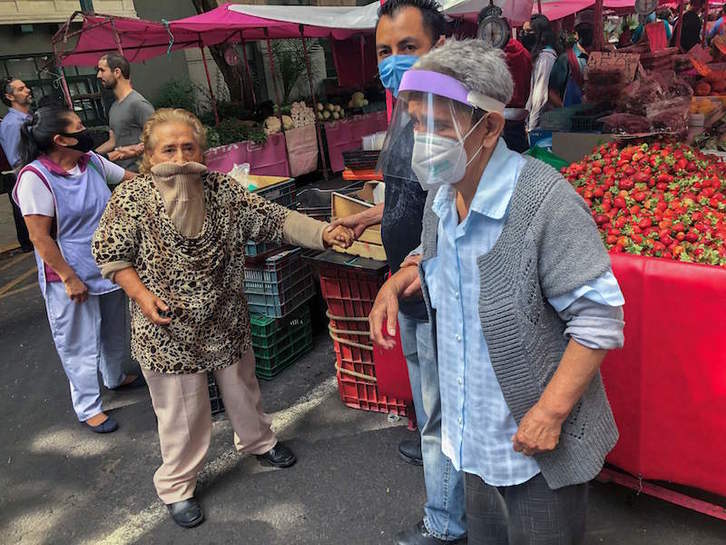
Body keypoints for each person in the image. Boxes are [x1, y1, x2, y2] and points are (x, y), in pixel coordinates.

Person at [370, 40, 625, 545]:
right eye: (417, 124)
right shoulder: (442, 198)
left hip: (533, 447)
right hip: (472, 438)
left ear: (488, 128)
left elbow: (599, 318)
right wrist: (400, 278)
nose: (424, 140)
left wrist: (549, 415)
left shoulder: (544, 204)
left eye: (440, 125)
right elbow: (445, 261)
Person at [91, 108, 354, 529]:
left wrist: (323, 232)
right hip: (167, 328)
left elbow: (272, 219)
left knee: (243, 391)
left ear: (203, 150)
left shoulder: (222, 191)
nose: (179, 157)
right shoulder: (131, 198)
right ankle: (177, 487)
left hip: (224, 316)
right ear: (149, 155)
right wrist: (141, 296)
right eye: (169, 149)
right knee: (182, 414)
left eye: (188, 147)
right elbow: (110, 254)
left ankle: (258, 443)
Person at [334, 1, 467, 544]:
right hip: (405, 284)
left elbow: (459, 212)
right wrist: (372, 215)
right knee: (426, 393)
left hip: (432, 286)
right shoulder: (406, 105)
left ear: (439, 47)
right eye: (385, 51)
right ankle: (437, 452)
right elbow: (411, 193)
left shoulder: (453, 116)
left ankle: (446, 523)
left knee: (441, 413)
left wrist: (419, 265)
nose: (393, 61)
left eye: (407, 48)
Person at [12, 104, 140, 433]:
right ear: (61, 140)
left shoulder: (91, 163)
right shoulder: (35, 178)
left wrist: (166, 178)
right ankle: (88, 407)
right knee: (79, 341)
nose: (85, 130)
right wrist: (70, 277)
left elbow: (130, 181)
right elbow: (39, 238)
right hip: (68, 271)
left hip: (108, 263)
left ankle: (114, 377)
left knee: (113, 329)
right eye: (78, 126)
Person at [477, 10, 532, 153]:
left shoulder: (483, 56)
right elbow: (527, 87)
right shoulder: (523, 52)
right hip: (517, 121)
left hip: (492, 121)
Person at [95, 53, 154, 173]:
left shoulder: (138, 103)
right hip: (123, 176)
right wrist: (90, 156)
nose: (98, 75)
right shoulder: (114, 107)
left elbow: (158, 140)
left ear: (117, 72)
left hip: (142, 176)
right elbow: (113, 141)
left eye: (102, 70)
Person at [1, 77, 33, 252]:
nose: (27, 90)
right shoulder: (12, 124)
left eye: (25, 86)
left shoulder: (29, 117)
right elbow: (16, 159)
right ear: (10, 96)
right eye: (20, 89)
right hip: (28, 179)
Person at [549, 10, 594, 109]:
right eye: (583, 31)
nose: (586, 34)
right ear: (576, 33)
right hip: (572, 118)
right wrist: (564, 110)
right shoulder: (566, 59)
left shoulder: (603, 56)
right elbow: (551, 91)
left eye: (589, 30)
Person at [524, 14, 560, 134]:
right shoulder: (540, 56)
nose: (525, 35)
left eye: (529, 31)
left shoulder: (546, 58)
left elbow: (540, 93)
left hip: (543, 123)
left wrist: (531, 126)